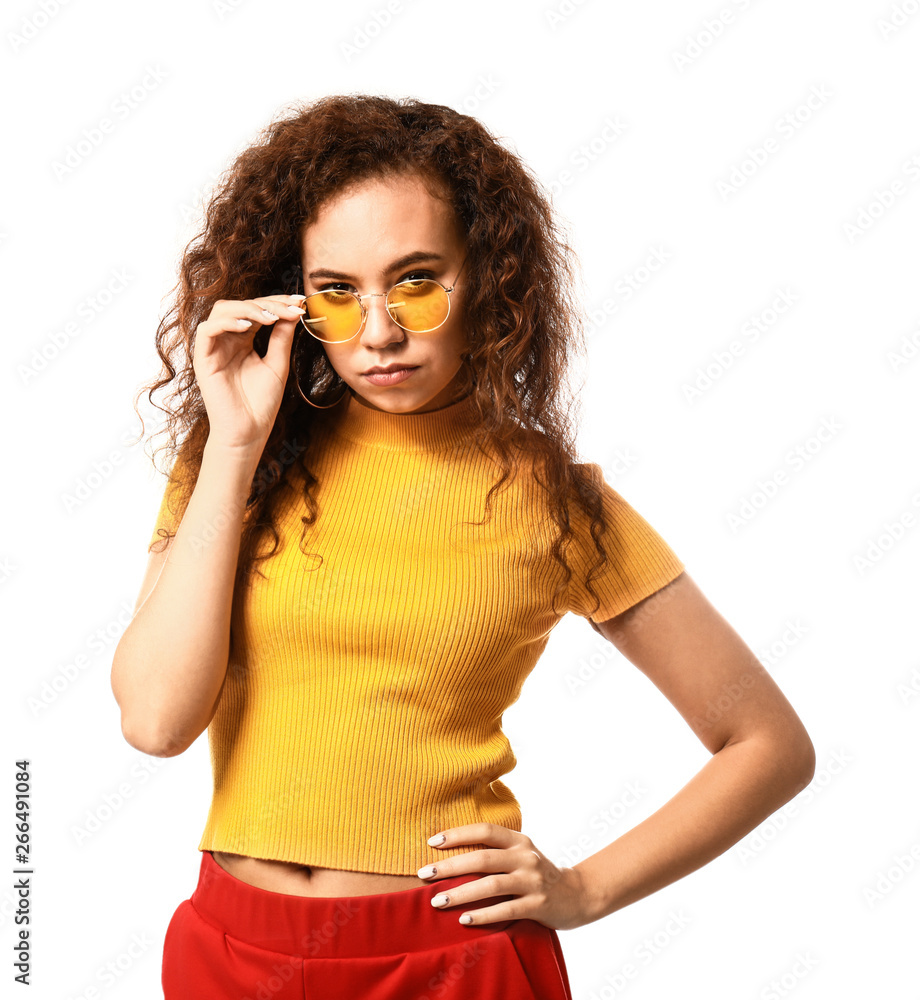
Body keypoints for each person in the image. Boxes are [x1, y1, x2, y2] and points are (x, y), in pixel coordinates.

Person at [110, 94, 816, 999]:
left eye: (415, 282)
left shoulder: (558, 503)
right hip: (229, 950)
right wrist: (236, 449)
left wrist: (585, 889)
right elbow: (156, 723)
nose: (378, 333)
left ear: (485, 275)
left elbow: (767, 743)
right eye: (337, 292)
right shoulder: (234, 459)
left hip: (451, 959)